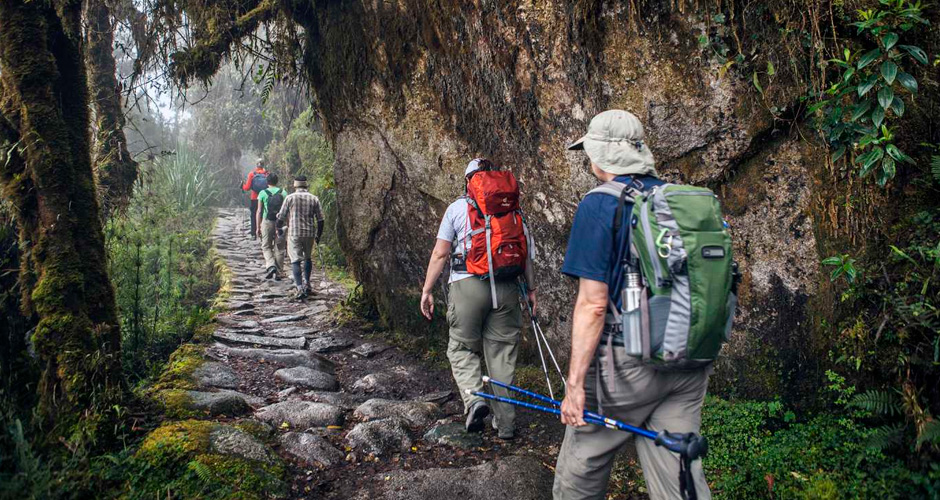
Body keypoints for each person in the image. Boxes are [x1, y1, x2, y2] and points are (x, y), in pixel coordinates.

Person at [553, 109, 712, 499]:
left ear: (602, 155)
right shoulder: (681, 200)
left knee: (581, 467)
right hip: (689, 358)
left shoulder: (601, 204)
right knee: (679, 475)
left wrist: (575, 386)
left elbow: (593, 305)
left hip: (627, 367)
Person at [419, 158, 537, 440]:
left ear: (467, 181)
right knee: (502, 357)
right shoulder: (513, 209)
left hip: (467, 285)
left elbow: (440, 254)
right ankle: (506, 426)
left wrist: (427, 290)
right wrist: (531, 290)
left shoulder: (457, 208)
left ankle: (475, 401)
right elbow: (526, 255)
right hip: (507, 288)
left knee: (461, 348)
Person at [276, 175, 324, 299]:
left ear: (295, 185)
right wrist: (318, 235)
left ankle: (299, 288)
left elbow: (281, 216)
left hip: (294, 233)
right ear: (306, 185)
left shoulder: (290, 198)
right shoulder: (314, 199)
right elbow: (320, 219)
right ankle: (307, 284)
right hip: (309, 233)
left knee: (295, 260)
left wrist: (278, 228)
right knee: (308, 258)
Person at [256, 172, 286, 280]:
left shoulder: (263, 193)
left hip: (267, 222)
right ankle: (278, 271)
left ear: (267, 182)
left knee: (266, 246)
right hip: (281, 223)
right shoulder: (283, 192)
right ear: (277, 181)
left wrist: (258, 227)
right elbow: (286, 210)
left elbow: (259, 211)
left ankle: (271, 265)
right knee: (279, 247)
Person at [242, 158, 268, 239]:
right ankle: (264, 233)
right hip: (265, 198)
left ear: (256, 164)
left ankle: (253, 234)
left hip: (254, 198)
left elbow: (247, 188)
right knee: (264, 215)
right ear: (263, 164)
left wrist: (242, 186)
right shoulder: (267, 174)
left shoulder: (252, 174)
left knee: (254, 215)